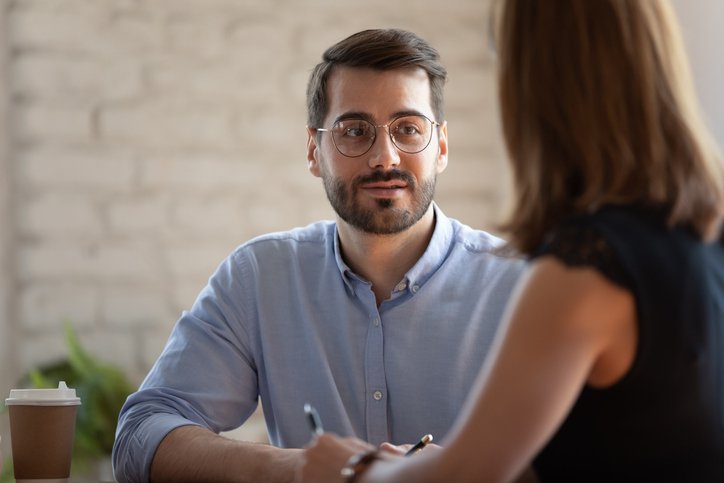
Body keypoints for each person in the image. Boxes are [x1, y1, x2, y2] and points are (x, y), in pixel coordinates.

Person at [297, 1, 724, 482]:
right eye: (355, 130)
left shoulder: (583, 268)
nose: (384, 157)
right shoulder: (702, 232)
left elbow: (469, 475)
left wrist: (352, 469)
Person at [112, 29, 526, 483]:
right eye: (354, 131)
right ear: (314, 151)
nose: (384, 157)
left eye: (408, 129)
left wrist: (459, 472)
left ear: (441, 146)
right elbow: (140, 435)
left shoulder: (520, 285)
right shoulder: (259, 277)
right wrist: (295, 468)